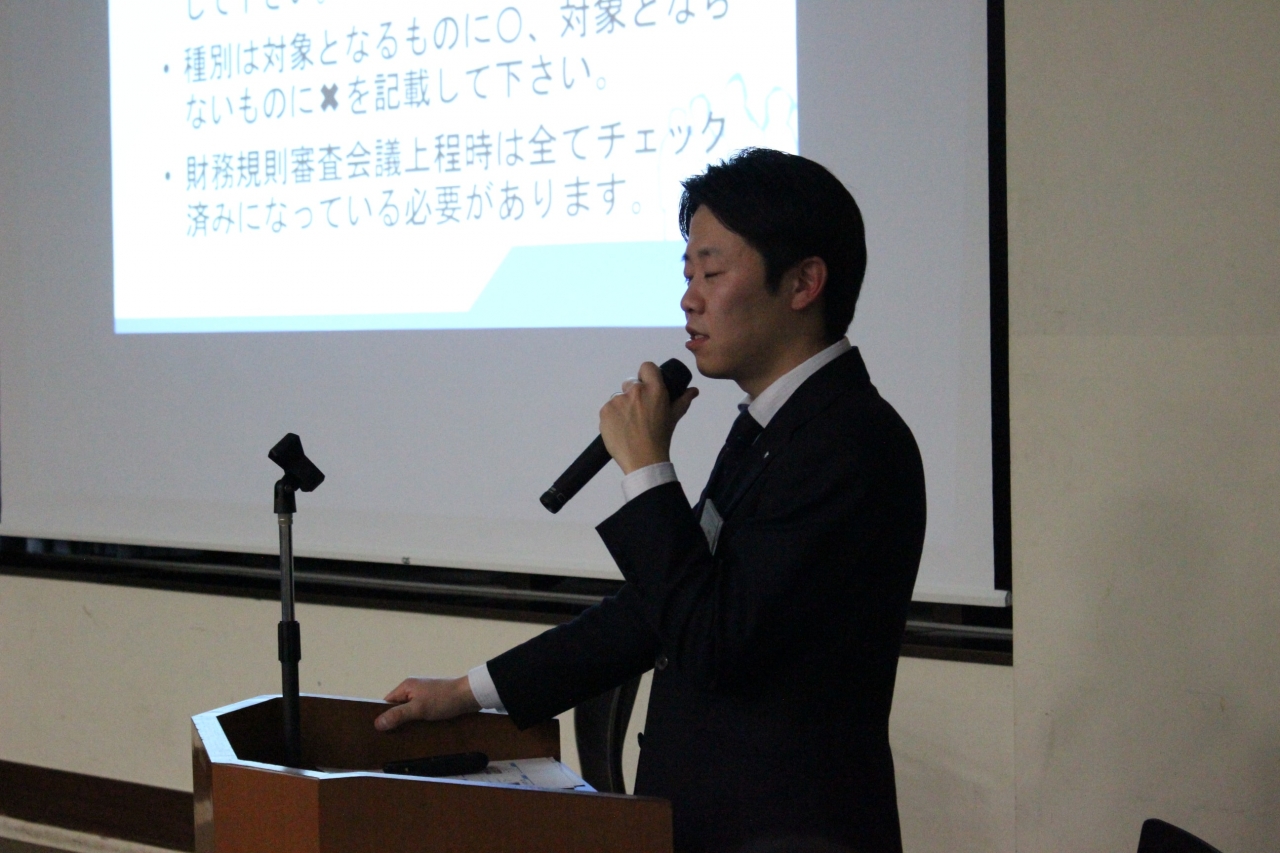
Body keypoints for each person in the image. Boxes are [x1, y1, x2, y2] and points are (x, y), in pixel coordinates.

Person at [374, 148, 927, 853]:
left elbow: (715, 641)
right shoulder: (772, 427)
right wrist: (468, 692)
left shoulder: (851, 440)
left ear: (803, 282)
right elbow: (657, 611)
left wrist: (646, 469)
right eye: (687, 274)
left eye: (713, 272)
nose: (690, 298)